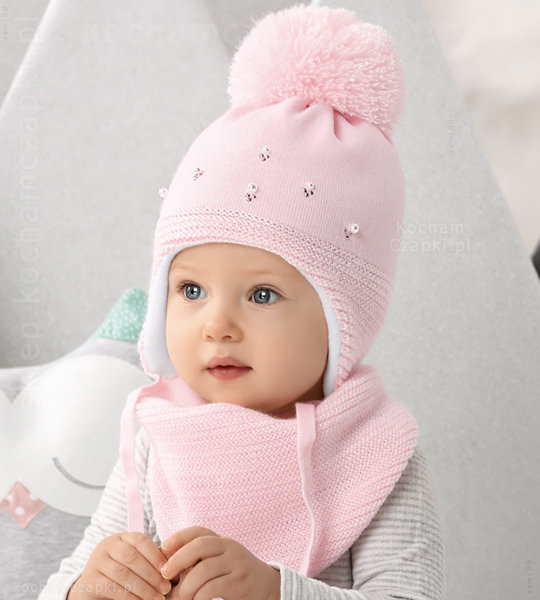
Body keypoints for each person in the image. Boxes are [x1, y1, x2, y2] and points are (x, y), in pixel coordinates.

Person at [39, 4, 446, 599]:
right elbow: (60, 585)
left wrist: (278, 591)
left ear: (342, 318)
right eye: (191, 290)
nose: (217, 325)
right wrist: (87, 588)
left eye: (261, 294)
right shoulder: (161, 435)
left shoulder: (376, 451)